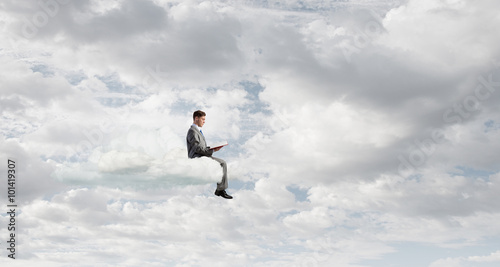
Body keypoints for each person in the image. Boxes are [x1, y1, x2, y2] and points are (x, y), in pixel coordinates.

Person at [186, 110, 232, 199]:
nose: (204, 121)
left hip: (202, 155)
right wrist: (212, 150)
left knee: (222, 162)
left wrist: (213, 148)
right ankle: (220, 190)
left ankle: (220, 189)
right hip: (197, 157)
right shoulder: (192, 131)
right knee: (222, 163)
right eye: (202, 119)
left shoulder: (197, 131)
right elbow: (197, 148)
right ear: (196, 118)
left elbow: (200, 147)